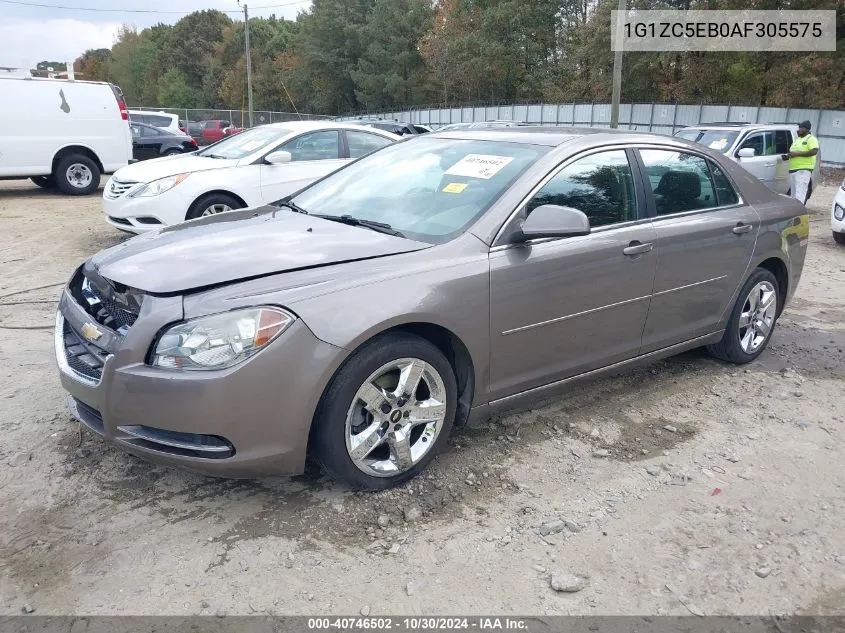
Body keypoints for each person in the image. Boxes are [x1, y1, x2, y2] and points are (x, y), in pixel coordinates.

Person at [781, 120, 819, 205]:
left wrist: (797, 153)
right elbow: (793, 152)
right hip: (794, 170)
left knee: (800, 193)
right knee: (793, 194)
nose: (800, 129)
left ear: (808, 129)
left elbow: (814, 151)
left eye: (802, 128)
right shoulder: (798, 140)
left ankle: (799, 213)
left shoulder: (811, 139)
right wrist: (788, 156)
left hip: (803, 170)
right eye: (799, 128)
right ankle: (794, 210)